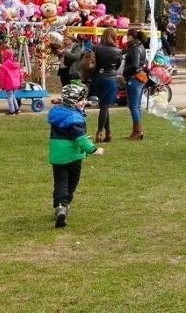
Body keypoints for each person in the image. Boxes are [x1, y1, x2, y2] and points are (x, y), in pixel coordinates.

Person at [48, 84, 104, 228]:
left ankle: (60, 206)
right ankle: (65, 204)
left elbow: (69, 133)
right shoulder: (74, 118)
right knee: (72, 181)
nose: (84, 101)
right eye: (81, 99)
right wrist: (93, 149)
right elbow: (80, 138)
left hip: (58, 156)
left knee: (60, 182)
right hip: (73, 157)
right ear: (73, 101)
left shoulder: (58, 113)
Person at [89, 27, 122, 143]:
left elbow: (92, 61)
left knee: (104, 106)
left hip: (98, 77)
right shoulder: (117, 51)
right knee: (105, 106)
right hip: (111, 79)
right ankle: (100, 132)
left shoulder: (97, 48)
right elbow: (117, 66)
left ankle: (108, 133)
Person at [123, 29, 147, 141]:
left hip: (134, 78)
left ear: (131, 37)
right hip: (140, 77)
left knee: (133, 106)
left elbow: (135, 65)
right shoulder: (140, 46)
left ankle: (137, 131)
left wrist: (124, 72)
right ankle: (137, 130)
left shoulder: (134, 48)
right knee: (136, 106)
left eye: (128, 36)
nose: (126, 38)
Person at [0, 49, 23, 115]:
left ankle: (12, 111)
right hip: (15, 84)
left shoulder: (5, 64)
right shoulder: (15, 63)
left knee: (9, 97)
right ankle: (17, 109)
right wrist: (20, 82)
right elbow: (20, 74)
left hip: (9, 83)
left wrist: (2, 85)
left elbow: (2, 76)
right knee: (13, 96)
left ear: (5, 55)